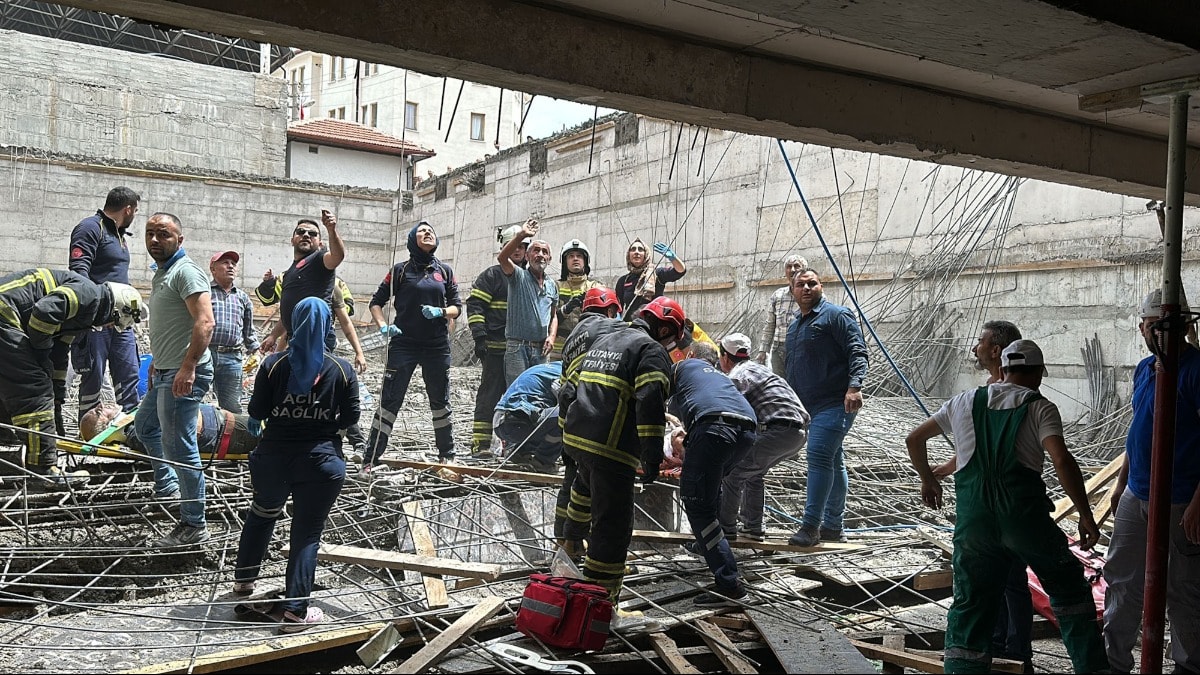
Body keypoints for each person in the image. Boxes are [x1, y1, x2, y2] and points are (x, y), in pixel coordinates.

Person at [905, 339, 1108, 674]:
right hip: (1024, 519)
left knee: (972, 604)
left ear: (1003, 369)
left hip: (975, 523)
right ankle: (1092, 668)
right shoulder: (1039, 407)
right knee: (1069, 589)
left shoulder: (964, 400)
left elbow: (914, 439)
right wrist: (1086, 515)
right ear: (1039, 373)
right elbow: (1061, 459)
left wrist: (928, 479)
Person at [234, 297, 359, 633]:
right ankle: (295, 613)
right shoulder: (342, 369)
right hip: (321, 464)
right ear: (328, 326)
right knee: (306, 534)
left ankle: (244, 585)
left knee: (261, 515)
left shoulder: (273, 365)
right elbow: (350, 419)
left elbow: (256, 414)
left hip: (273, 460)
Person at [557, 296, 682, 605]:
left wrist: (565, 432)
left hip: (578, 436)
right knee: (612, 526)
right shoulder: (651, 350)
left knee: (583, 490)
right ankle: (600, 600)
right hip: (610, 447)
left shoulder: (608, 338)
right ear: (666, 331)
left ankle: (571, 542)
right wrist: (651, 455)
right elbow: (650, 403)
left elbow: (569, 388)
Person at [1103, 289, 1200, 674]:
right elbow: (1139, 429)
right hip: (1137, 491)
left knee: (1183, 587)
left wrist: (1198, 501)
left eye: (1153, 325)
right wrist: (1120, 483)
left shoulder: (1195, 370)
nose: (1147, 331)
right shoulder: (1146, 369)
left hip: (1180, 499)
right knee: (1122, 579)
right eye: (1147, 325)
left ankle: (1189, 665)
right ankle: (1113, 662)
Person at [933, 320, 1033, 672]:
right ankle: (995, 640)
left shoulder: (1016, 393)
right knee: (992, 577)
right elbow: (978, 447)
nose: (975, 348)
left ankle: (1018, 649)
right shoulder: (986, 392)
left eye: (980, 342)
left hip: (1006, 500)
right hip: (981, 500)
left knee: (1011, 579)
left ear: (995, 350)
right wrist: (945, 469)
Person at [0, 268, 142, 488]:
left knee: (12, 391)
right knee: (34, 390)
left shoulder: (81, 317)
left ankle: (6, 453)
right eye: (113, 323)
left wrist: (56, 400)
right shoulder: (90, 296)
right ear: (115, 310)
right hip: (4, 316)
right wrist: (39, 357)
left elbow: (57, 356)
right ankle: (44, 470)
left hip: (7, 319)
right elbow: (43, 312)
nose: (108, 327)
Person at [134, 212, 216, 548]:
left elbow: (205, 323)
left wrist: (187, 367)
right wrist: (158, 361)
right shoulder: (163, 273)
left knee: (181, 446)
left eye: (163, 234)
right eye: (150, 233)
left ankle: (194, 523)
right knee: (146, 427)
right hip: (167, 370)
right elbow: (170, 326)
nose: (155, 240)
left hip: (184, 373)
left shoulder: (186, 271)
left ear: (179, 240)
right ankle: (168, 487)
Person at [363, 221, 462, 466]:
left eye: (431, 230)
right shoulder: (399, 270)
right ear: (411, 239)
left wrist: (441, 312)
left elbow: (457, 308)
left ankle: (446, 456)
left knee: (440, 402)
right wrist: (383, 326)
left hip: (436, 346)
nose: (428, 232)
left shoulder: (445, 271)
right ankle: (371, 458)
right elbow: (376, 302)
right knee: (390, 400)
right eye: (421, 231)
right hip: (403, 344)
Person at [784, 268, 868, 547]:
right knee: (833, 459)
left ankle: (810, 527)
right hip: (808, 406)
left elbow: (857, 350)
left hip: (835, 401)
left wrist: (854, 386)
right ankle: (833, 526)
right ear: (792, 290)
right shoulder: (795, 325)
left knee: (818, 454)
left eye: (812, 283)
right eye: (800, 284)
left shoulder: (836, 315)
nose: (806, 288)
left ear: (821, 287)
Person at [670, 341, 757, 607]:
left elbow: (653, 398)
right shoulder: (718, 376)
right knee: (709, 492)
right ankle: (707, 546)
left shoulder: (683, 367)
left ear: (692, 355)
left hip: (715, 427)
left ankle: (730, 585)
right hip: (747, 430)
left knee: (698, 505)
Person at [553, 286, 626, 556]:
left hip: (570, 417)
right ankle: (591, 546)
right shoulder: (607, 328)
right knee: (596, 486)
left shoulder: (573, 337)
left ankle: (565, 541)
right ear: (610, 310)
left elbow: (565, 384)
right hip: (594, 413)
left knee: (572, 478)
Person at [716, 333, 809, 542]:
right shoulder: (761, 370)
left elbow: (732, 413)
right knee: (753, 473)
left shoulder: (738, 375)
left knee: (733, 473)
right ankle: (753, 527)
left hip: (778, 430)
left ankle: (724, 531)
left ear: (724, 357)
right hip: (798, 432)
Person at [68, 186, 142, 421]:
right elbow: (79, 273)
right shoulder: (91, 228)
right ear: (128, 209)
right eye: (136, 211)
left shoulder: (119, 235)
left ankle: (131, 429)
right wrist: (98, 311)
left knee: (129, 372)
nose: (135, 216)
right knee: (93, 376)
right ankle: (88, 430)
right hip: (97, 323)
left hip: (122, 322)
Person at [259, 212, 365, 374]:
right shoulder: (288, 274)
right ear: (292, 239)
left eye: (312, 234)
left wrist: (331, 230)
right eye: (301, 232)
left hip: (316, 338)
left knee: (312, 385)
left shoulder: (319, 261)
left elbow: (338, 256)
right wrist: (273, 336)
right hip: (295, 337)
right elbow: (288, 315)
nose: (306, 235)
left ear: (320, 243)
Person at [465, 224, 526, 458]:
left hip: (520, 352)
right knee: (489, 395)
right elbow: (476, 305)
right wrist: (480, 337)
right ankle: (480, 445)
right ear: (504, 247)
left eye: (522, 246)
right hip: (496, 349)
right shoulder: (492, 275)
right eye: (514, 246)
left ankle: (513, 446)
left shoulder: (528, 277)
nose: (518, 251)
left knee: (519, 398)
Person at [81, 401, 259, 461]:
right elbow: (181, 435)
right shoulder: (138, 434)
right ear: (104, 426)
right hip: (228, 432)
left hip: (226, 426)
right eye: (98, 412)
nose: (102, 405)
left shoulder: (134, 426)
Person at [497, 219, 558, 384]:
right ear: (527, 256)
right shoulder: (519, 276)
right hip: (518, 348)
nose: (540, 255)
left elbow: (554, 315)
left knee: (539, 393)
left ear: (549, 258)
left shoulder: (552, 285)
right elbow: (502, 258)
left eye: (544, 252)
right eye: (536, 250)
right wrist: (522, 235)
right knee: (518, 394)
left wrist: (551, 337)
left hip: (541, 350)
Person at [207, 251, 260, 413]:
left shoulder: (242, 298)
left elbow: (248, 331)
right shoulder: (204, 293)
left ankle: (232, 438)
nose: (230, 266)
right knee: (195, 399)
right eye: (225, 262)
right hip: (205, 354)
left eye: (233, 264)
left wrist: (256, 352)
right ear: (213, 269)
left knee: (232, 406)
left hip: (232, 358)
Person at [494, 361, 562, 473]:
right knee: (567, 415)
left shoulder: (553, 368)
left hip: (502, 422)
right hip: (515, 421)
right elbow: (564, 397)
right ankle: (543, 462)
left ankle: (521, 453)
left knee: (545, 420)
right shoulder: (564, 372)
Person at [756, 254, 807, 377]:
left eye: (797, 266)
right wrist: (763, 350)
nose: (793, 270)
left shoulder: (809, 294)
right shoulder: (778, 295)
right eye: (789, 267)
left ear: (804, 270)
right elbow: (770, 325)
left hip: (800, 348)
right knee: (780, 384)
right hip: (778, 350)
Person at [551, 238, 602, 360]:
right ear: (565, 262)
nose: (575, 259)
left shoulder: (596, 287)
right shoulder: (554, 286)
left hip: (587, 349)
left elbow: (604, 320)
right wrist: (566, 309)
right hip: (559, 351)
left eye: (579, 256)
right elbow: (547, 319)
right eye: (571, 256)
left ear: (585, 261)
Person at [614, 238, 686, 320]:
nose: (636, 252)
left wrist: (673, 258)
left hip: (652, 326)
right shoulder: (623, 281)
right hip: (631, 327)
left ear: (646, 254)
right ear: (628, 255)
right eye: (633, 249)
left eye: (640, 249)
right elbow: (618, 306)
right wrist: (617, 317)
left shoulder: (656, 274)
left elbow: (680, 271)